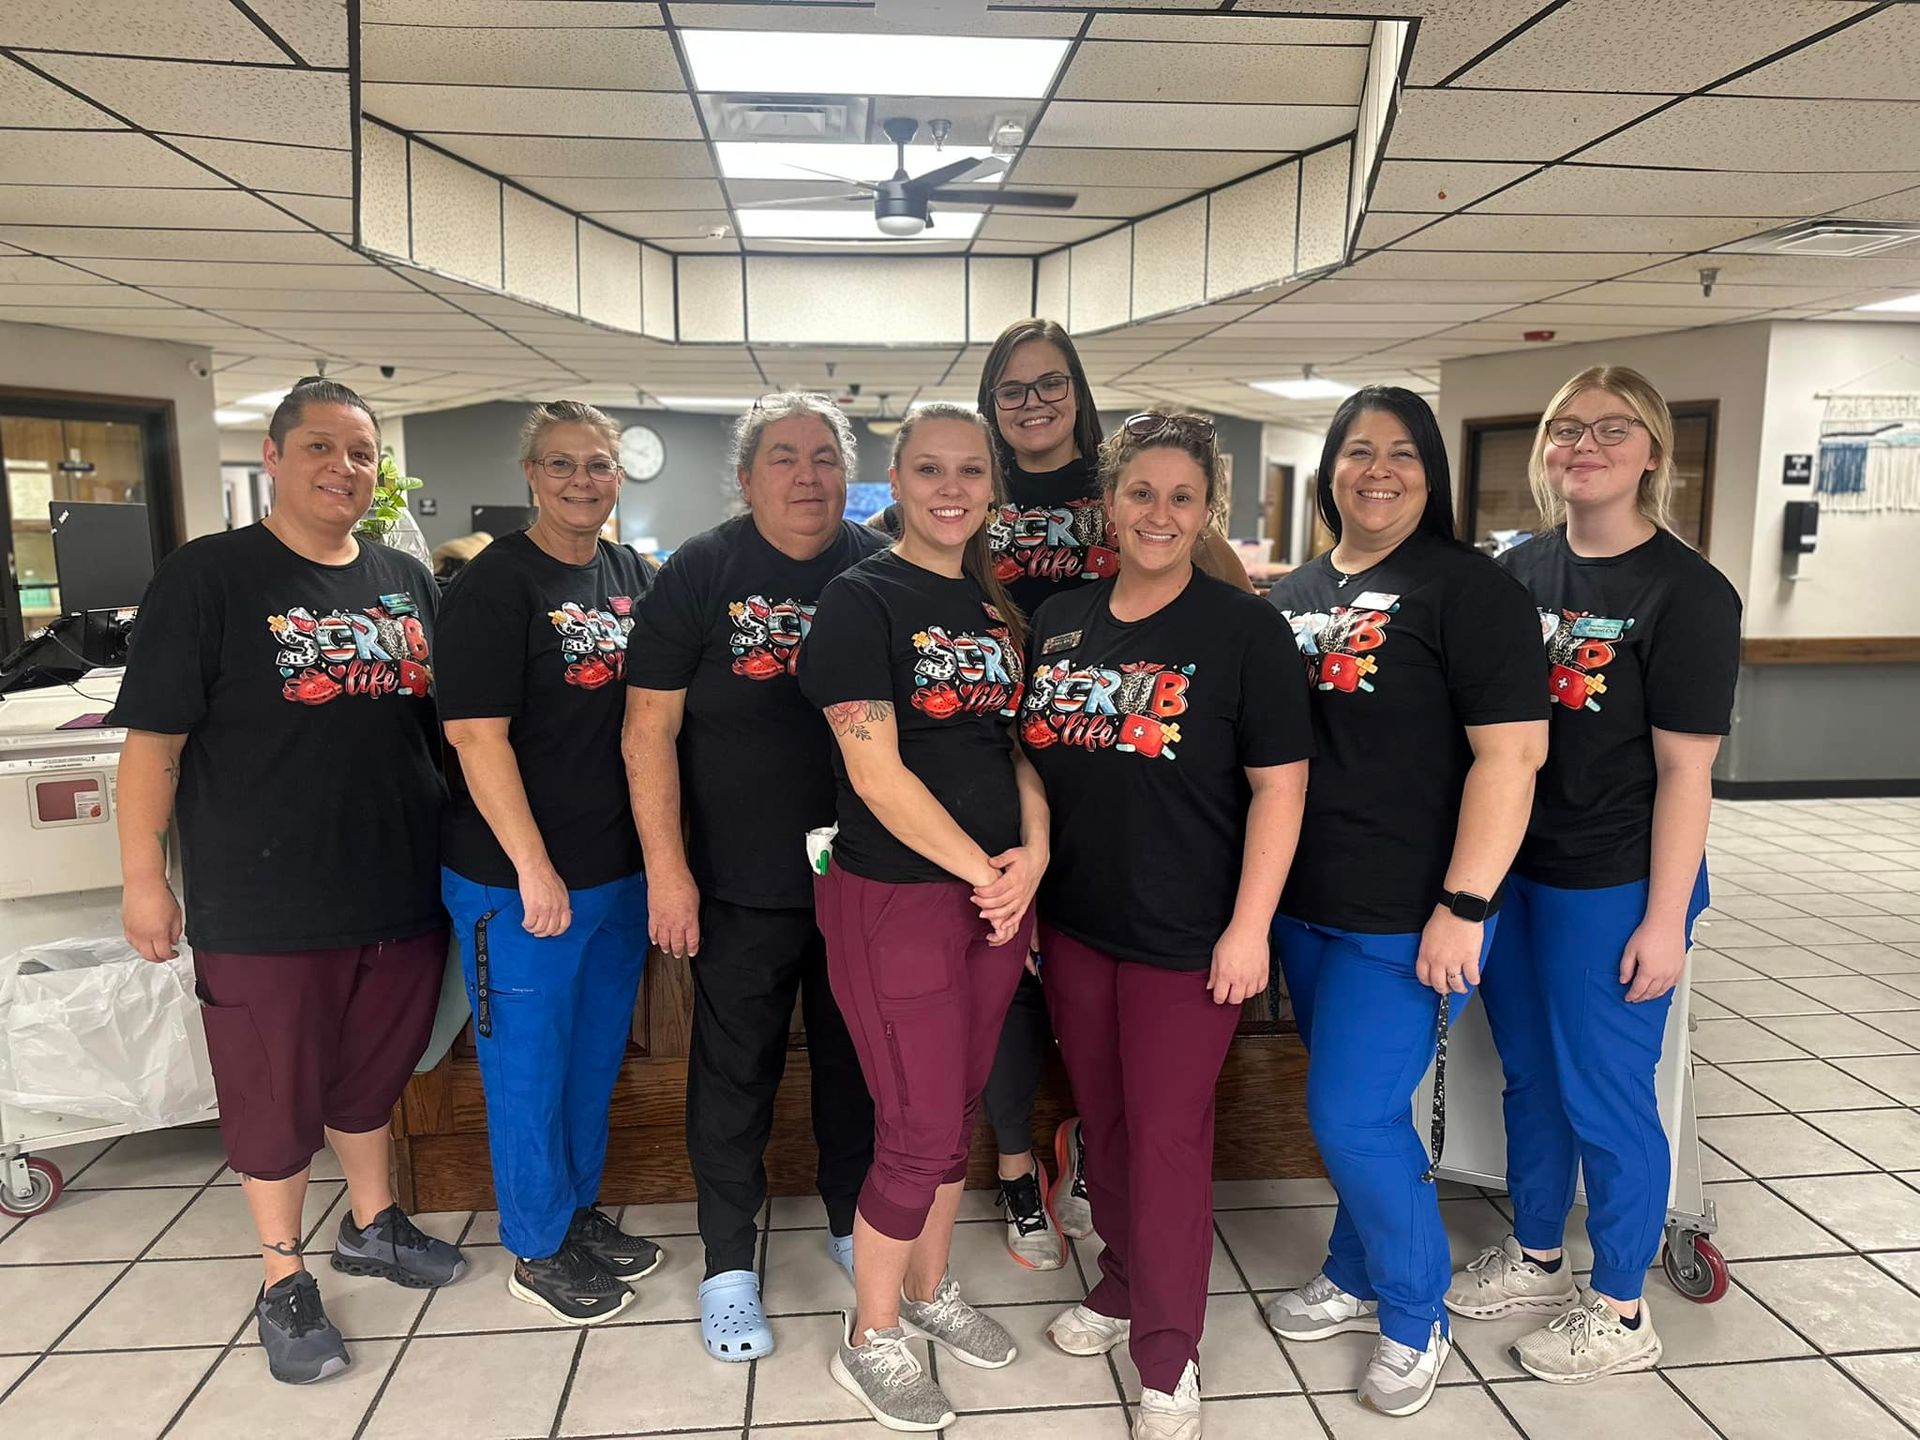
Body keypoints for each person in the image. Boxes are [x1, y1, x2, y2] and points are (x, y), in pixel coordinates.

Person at [114, 376, 465, 1386]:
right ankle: (283, 1277)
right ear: (272, 458)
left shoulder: (404, 577)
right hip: (263, 900)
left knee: (370, 1079)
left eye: (359, 452)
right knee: (274, 1098)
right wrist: (145, 880)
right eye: (319, 447)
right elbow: (155, 746)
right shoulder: (209, 577)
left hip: (397, 886)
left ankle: (373, 1224)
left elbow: (440, 732)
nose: (341, 468)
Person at [1445, 367, 1741, 1382]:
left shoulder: (1687, 595)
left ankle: (1619, 1309)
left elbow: (1685, 772)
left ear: (1652, 452)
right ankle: (1534, 1254)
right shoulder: (1513, 574)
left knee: (1607, 1094)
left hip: (1613, 881)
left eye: (1613, 429)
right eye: (1567, 429)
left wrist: (1665, 919)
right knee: (1527, 1076)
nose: (1586, 444)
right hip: (1515, 873)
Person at [1024, 410, 1313, 1440]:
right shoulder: (1060, 618)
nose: (1158, 513)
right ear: (1109, 501)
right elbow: (1035, 766)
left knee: (1169, 1138)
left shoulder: (1244, 630)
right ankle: (1122, 1285)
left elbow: (1281, 791)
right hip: (1075, 927)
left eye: (1180, 497)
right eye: (1140, 492)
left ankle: (1167, 1354)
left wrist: (1249, 929)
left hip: (1190, 936)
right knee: (1106, 1127)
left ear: (1207, 512)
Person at [1261, 387, 1548, 1418]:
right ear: (1330, 467)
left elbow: (1513, 755)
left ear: (1432, 473)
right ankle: (1352, 1268)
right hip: (1304, 904)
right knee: (1362, 1111)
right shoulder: (1290, 591)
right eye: (1357, 451)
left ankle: (1416, 1314)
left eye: (1402, 454)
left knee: (1347, 1113)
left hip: (1413, 910)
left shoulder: (1471, 591)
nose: (1377, 470)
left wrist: (1465, 906)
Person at [799, 403, 1048, 1432]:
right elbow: (875, 770)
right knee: (910, 1128)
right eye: (931, 469)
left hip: (994, 896)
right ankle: (870, 1340)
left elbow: (1018, 750)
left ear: (993, 486)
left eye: (972, 471)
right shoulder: (859, 602)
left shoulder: (995, 608)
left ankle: (930, 1290)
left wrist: (1032, 856)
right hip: (897, 897)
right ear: (896, 481)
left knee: (955, 1116)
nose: (953, 488)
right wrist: (982, 874)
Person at [623, 392, 882, 1362]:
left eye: (824, 457)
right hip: (736, 884)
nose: (806, 476)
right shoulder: (699, 573)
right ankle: (728, 1265)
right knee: (733, 1080)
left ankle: (853, 1224)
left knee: (857, 1074)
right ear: (746, 477)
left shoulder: (880, 569)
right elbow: (646, 730)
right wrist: (667, 871)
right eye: (783, 458)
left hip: (863, 882)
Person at [436, 401, 661, 1325]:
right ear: (530, 474)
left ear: (619, 477)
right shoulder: (496, 587)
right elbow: (476, 738)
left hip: (615, 872)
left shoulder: (631, 573)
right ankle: (534, 1246)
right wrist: (533, 868)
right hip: (517, 880)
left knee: (592, 1059)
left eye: (598, 465)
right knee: (526, 1069)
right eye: (561, 464)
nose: (582, 481)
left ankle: (573, 1214)